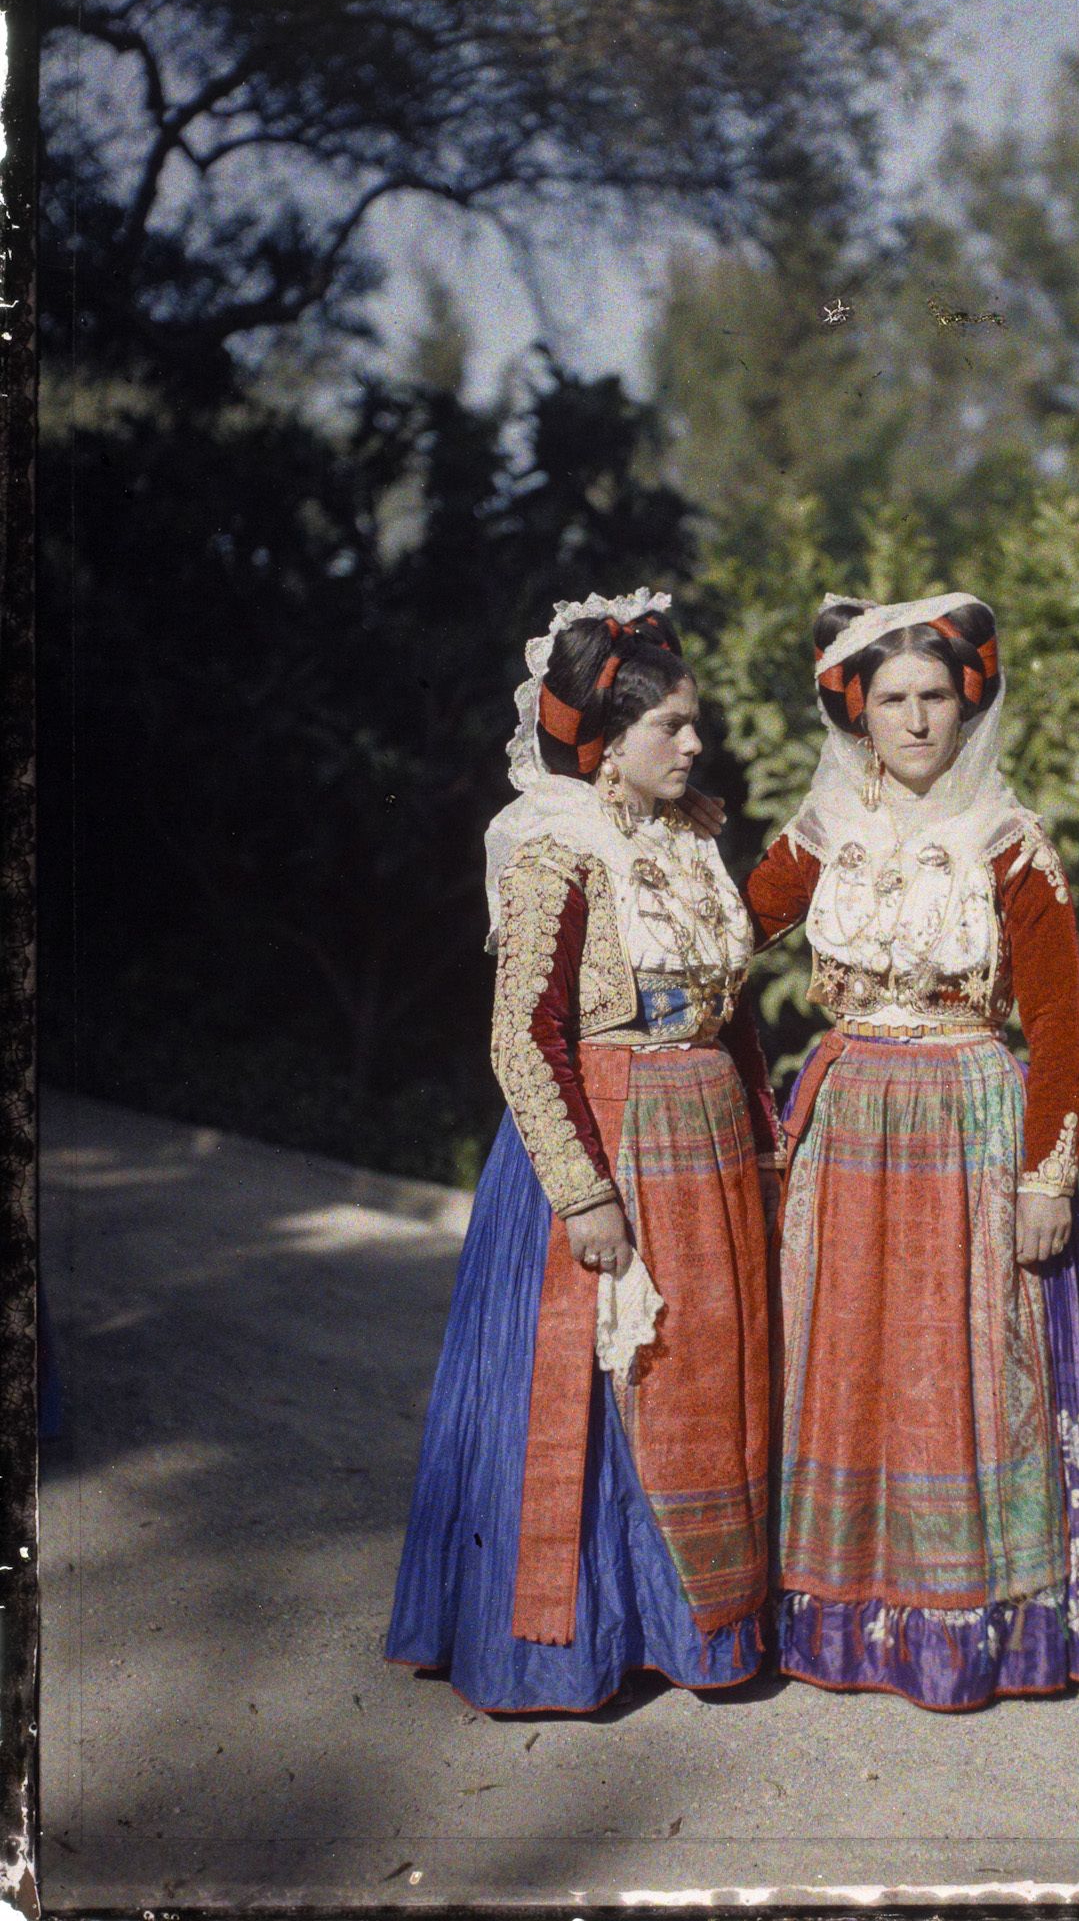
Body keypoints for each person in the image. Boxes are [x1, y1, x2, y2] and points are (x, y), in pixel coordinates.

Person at [744, 590, 1079, 1711]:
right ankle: (830, 1611)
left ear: (966, 702)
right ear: (858, 711)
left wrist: (1047, 1176)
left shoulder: (1009, 840)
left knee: (961, 1357)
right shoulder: (818, 833)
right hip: (847, 1118)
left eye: (935, 696)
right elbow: (721, 937)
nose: (917, 719)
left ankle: (971, 1626)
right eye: (893, 699)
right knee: (844, 1353)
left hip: (970, 1117)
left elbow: (1062, 1025)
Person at [387, 590, 780, 1714]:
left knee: (698, 1375)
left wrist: (761, 1129)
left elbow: (735, 1008)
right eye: (672, 727)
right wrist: (582, 1190)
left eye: (694, 723)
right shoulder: (555, 846)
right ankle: (574, 1643)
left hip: (704, 1144)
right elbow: (522, 1032)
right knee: (603, 1376)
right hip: (604, 1142)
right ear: (605, 747)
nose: (695, 743)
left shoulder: (697, 835)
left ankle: (695, 1627)